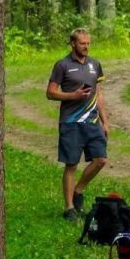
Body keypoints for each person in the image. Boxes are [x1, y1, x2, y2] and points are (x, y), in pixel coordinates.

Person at [46, 28, 109, 221]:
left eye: (88, 43)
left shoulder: (95, 65)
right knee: (71, 164)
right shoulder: (62, 65)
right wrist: (72, 95)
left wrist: (105, 121)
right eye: (82, 43)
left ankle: (78, 191)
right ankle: (69, 208)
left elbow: (98, 94)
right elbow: (50, 92)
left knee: (101, 160)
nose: (86, 46)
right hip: (71, 122)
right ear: (73, 44)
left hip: (92, 122)